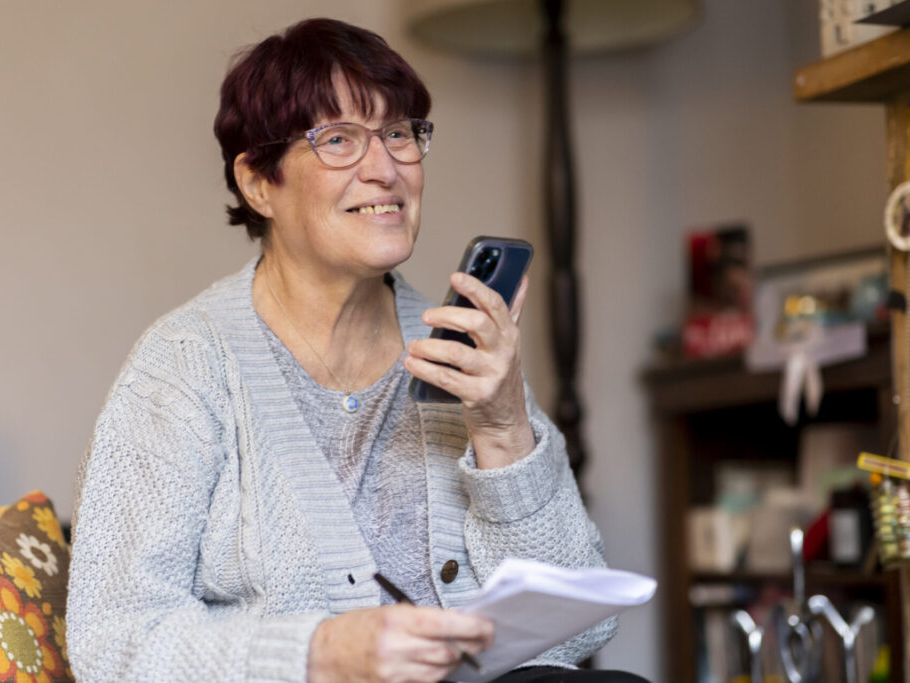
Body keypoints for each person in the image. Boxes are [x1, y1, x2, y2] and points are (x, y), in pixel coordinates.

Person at [67, 17, 632, 683]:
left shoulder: (463, 346)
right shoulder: (185, 365)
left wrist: (504, 424)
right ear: (257, 182)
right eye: (338, 139)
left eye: (399, 133)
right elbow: (114, 641)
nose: (385, 168)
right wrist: (319, 653)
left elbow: (585, 623)